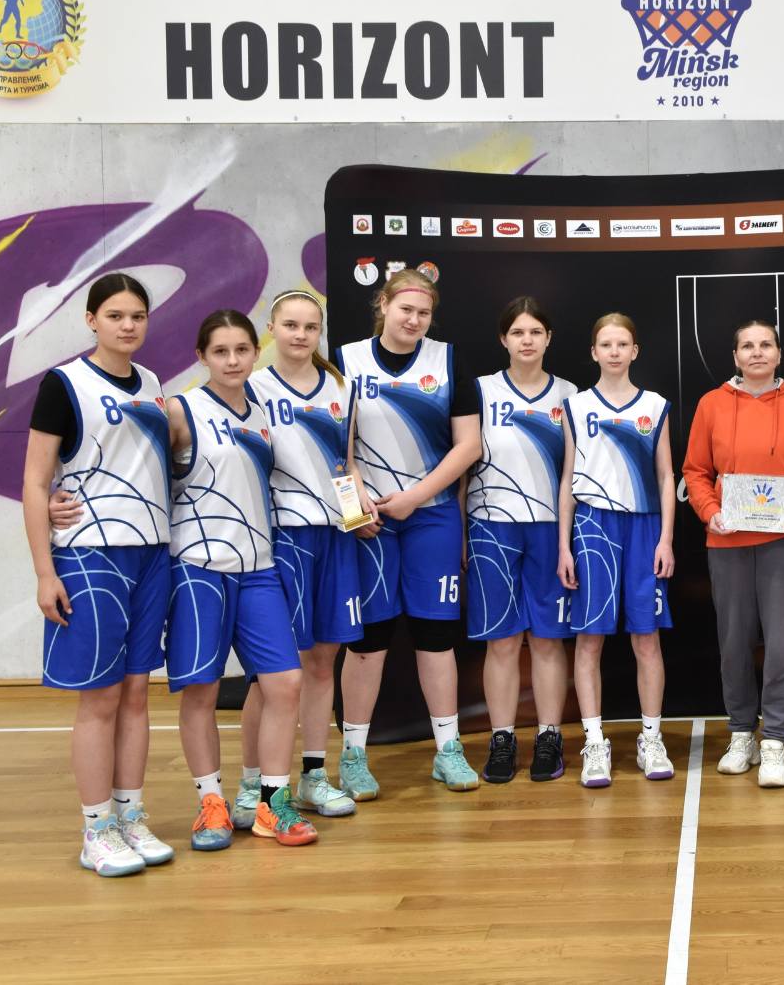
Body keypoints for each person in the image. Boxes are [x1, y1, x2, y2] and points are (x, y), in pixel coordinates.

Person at [24, 273, 174, 876]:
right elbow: (36, 481)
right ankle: (96, 829)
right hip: (91, 554)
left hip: (152, 551)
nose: (128, 325)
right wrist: (44, 572)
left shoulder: (153, 384)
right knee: (101, 697)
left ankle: (130, 815)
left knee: (137, 692)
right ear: (91, 320)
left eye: (137, 315)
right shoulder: (64, 383)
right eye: (115, 315)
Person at [166, 310, 315, 849]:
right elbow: (133, 467)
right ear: (202, 356)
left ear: (256, 352)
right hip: (198, 569)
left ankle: (273, 803)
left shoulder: (264, 415)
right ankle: (211, 804)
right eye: (220, 351)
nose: (232, 361)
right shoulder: (180, 410)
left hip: (259, 568)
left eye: (242, 350)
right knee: (201, 691)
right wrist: (59, 499)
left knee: (285, 683)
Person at [335, 269, 482, 797]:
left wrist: (415, 497)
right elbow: (336, 444)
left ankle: (448, 751)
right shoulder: (347, 360)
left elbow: (469, 445)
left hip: (433, 515)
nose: (414, 320)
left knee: (436, 639)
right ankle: (353, 756)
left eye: (423, 313)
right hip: (370, 522)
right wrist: (354, 512)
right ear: (384, 304)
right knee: (367, 643)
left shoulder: (447, 359)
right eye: (405, 310)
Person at [228, 290, 365, 828]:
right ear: (271, 328)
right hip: (282, 538)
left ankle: (312, 774)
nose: (301, 334)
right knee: (271, 673)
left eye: (310, 326)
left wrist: (355, 516)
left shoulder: (340, 388)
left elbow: (344, 463)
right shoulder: (252, 387)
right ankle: (251, 783)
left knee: (323, 661)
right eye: (290, 325)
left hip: (335, 537)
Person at [683, 319, 784, 788]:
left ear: (779, 353)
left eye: (766, 344)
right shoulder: (711, 404)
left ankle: (776, 741)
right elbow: (695, 470)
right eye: (747, 345)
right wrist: (709, 512)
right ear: (735, 356)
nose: (757, 352)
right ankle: (741, 732)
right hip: (727, 541)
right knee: (733, 644)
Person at [558, 313, 677, 787]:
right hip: (593, 526)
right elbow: (568, 478)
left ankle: (652, 738)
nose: (613, 351)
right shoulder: (576, 406)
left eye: (622, 344)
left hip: (644, 526)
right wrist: (564, 546)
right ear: (593, 352)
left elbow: (666, 476)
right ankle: (594, 742)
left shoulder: (655, 405)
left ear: (634, 351)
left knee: (646, 638)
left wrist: (666, 538)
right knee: (590, 639)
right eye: (605, 344)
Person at [467, 297, 576, 784]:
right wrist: (462, 534)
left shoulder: (570, 395)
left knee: (549, 639)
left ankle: (549, 736)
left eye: (535, 332)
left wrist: (568, 540)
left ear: (549, 338)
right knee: (503, 640)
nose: (527, 340)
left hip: (549, 528)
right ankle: (503, 738)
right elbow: (463, 463)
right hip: (492, 526)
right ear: (503, 339)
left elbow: (574, 474)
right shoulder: (482, 390)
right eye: (517, 332)